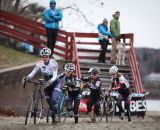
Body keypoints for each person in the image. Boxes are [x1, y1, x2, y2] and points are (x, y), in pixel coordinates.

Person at [22, 47, 61, 123]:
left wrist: (50, 81)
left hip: (55, 83)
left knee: (53, 100)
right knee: (50, 104)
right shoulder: (39, 64)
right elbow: (32, 73)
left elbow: (55, 75)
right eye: (43, 56)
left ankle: (56, 115)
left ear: (49, 56)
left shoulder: (54, 63)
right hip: (46, 85)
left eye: (46, 56)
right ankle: (53, 115)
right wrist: (27, 77)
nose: (45, 58)